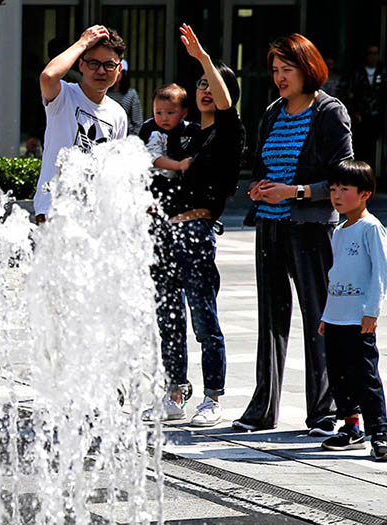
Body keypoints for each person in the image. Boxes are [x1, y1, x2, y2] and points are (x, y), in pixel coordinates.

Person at [234, 34, 353, 435]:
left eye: (287, 70)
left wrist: (296, 192)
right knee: (270, 320)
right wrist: (261, 187)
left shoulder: (328, 112)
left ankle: (323, 411)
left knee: (318, 317)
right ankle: (262, 409)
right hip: (269, 224)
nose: (280, 78)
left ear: (308, 69)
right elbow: (266, 165)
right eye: (275, 71)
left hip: (311, 229)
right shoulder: (273, 111)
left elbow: (343, 177)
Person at [143, 24, 244, 427]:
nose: (205, 90)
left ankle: (212, 397)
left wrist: (203, 57)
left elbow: (224, 105)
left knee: (203, 317)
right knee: (168, 316)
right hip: (164, 232)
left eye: (212, 84)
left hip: (197, 232)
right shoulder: (181, 133)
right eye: (199, 83)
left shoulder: (227, 133)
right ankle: (174, 391)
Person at [316, 160, 387, 461]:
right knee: (339, 375)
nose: (337, 195)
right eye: (333, 189)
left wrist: (372, 311)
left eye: (345, 189)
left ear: (365, 194)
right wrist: (325, 315)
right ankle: (350, 426)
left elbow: (381, 272)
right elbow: (336, 276)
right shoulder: (339, 229)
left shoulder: (371, 228)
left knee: (365, 376)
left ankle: (380, 431)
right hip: (335, 318)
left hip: (359, 319)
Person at [33, 25, 128, 224]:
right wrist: (83, 42)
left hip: (93, 219)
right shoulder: (65, 95)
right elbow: (48, 76)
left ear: (119, 70)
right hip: (54, 209)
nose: (101, 71)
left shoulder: (118, 114)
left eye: (109, 65)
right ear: (81, 65)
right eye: (94, 63)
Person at [139, 83, 198, 178]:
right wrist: (179, 165)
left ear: (184, 113)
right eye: (158, 113)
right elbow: (156, 159)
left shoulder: (189, 129)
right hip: (156, 181)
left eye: (170, 113)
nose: (164, 118)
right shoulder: (153, 131)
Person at [345, 45, 385, 168]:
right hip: (359, 117)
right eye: (370, 53)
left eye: (376, 53)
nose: (373, 57)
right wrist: (354, 111)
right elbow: (350, 93)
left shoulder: (382, 72)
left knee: (374, 148)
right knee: (359, 147)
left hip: (376, 115)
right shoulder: (357, 72)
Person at [107, 59, 143, 135]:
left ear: (124, 73)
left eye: (119, 72)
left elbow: (137, 122)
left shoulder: (131, 94)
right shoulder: (104, 93)